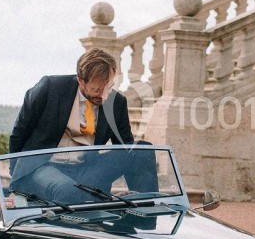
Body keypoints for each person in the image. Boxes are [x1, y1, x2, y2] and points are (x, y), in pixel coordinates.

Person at [9, 47, 154, 203]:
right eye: (97, 89)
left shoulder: (117, 102)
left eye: (109, 87)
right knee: (67, 190)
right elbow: (20, 132)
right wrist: (17, 178)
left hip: (85, 168)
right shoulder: (50, 87)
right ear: (80, 80)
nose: (104, 96)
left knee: (141, 151)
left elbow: (124, 148)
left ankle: (143, 218)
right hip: (43, 165)